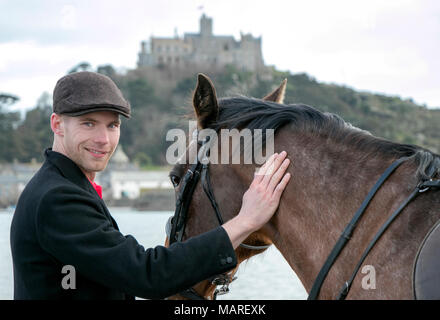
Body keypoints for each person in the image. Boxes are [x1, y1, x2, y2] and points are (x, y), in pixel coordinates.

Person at [10, 71, 291, 300]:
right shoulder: (56, 198)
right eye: (88, 124)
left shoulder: (64, 185)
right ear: (57, 125)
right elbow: (146, 276)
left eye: (112, 126)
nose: (104, 140)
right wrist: (245, 221)